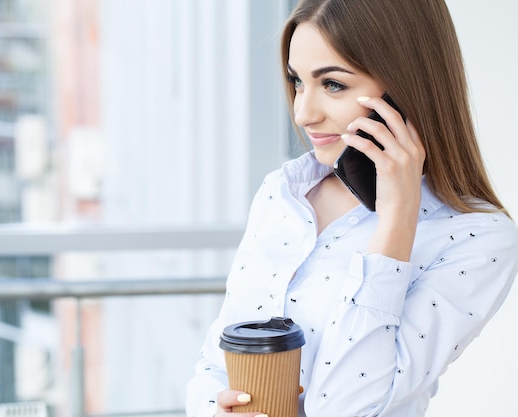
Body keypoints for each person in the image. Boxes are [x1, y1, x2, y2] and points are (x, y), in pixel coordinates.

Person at [185, 0, 518, 416]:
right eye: (298, 82)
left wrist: (396, 223)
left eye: (333, 85)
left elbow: (347, 407)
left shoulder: (477, 239)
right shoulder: (282, 194)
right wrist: (215, 408)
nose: (303, 113)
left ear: (406, 89)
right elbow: (215, 364)